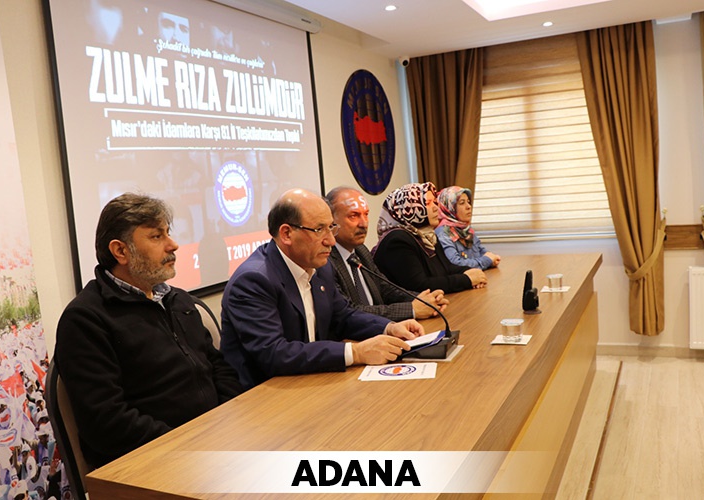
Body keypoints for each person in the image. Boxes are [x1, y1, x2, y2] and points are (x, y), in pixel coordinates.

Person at [54, 193, 243, 468]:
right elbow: (106, 422)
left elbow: (218, 368)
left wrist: (226, 423)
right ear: (121, 251)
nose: (173, 245)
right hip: (152, 463)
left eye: (168, 233)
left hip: (212, 444)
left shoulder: (178, 300)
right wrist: (190, 445)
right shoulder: (85, 320)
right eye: (156, 236)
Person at [221, 188, 425, 389]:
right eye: (319, 230)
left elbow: (344, 316)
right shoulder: (254, 280)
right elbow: (275, 354)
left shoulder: (321, 267)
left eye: (331, 228)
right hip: (266, 394)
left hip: (313, 378)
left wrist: (389, 327)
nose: (331, 240)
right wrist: (355, 353)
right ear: (286, 234)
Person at [325, 186, 449, 322]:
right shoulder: (326, 261)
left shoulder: (361, 251)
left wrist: (424, 300)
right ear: (331, 220)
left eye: (366, 214)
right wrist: (412, 309)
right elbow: (350, 311)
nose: (364, 224)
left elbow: (385, 289)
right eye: (353, 216)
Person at [372, 182, 487, 294]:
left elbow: (447, 268)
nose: (436, 208)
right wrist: (467, 280)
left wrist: (471, 272)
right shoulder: (397, 240)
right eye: (428, 203)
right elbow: (420, 285)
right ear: (410, 208)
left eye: (435, 202)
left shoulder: (427, 235)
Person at [436, 186, 501, 270]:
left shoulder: (466, 229)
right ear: (449, 207)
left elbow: (480, 250)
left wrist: (492, 257)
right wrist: (487, 260)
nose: (469, 206)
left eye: (468, 202)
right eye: (462, 203)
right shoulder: (443, 233)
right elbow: (456, 264)